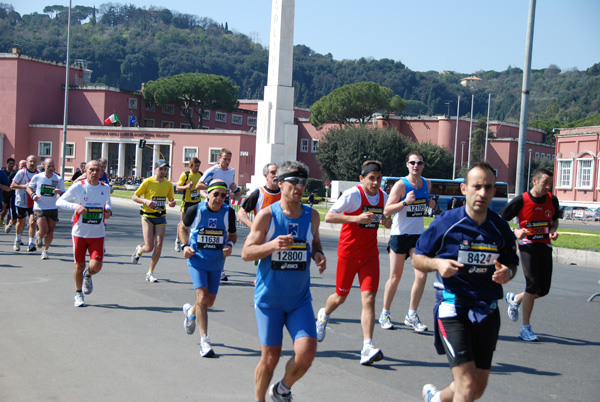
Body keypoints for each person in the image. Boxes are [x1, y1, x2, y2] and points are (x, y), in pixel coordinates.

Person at [413, 162, 518, 402]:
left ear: (494, 192)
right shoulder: (446, 222)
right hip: (453, 307)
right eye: (477, 186)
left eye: (488, 187)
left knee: (476, 387)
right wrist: (438, 264)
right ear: (464, 189)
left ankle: (437, 398)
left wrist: (508, 274)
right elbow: (417, 259)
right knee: (467, 385)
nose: (482, 193)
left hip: (487, 310)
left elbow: (512, 264)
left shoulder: (500, 228)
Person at [241, 161, 326, 402]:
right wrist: (272, 245)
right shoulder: (267, 216)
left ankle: (282, 389)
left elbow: (315, 243)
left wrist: (318, 255)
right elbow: (246, 253)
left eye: (303, 182)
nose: (299, 186)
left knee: (307, 352)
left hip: (299, 300)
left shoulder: (312, 216)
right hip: (270, 300)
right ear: (281, 184)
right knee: (270, 358)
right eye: (294, 181)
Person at [315, 160, 392, 365]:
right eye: (371, 178)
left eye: (379, 179)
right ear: (362, 179)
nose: (375, 183)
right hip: (348, 254)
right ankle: (324, 314)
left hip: (370, 256)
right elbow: (330, 216)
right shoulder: (353, 195)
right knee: (340, 296)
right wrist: (355, 219)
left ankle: (367, 346)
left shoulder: (384, 197)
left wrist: (386, 221)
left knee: (369, 299)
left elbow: (385, 218)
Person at [499, 168, 560, 342]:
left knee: (543, 290)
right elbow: (499, 221)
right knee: (532, 286)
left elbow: (554, 220)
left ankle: (515, 298)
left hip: (545, 246)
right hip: (527, 246)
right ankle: (525, 328)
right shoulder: (521, 200)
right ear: (534, 181)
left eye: (550, 183)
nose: (548, 186)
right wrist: (515, 231)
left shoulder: (552, 200)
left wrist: (553, 231)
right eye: (545, 183)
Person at [178, 180, 237, 357]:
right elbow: (182, 227)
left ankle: (190, 311)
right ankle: (205, 341)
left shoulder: (229, 213)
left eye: (223, 195)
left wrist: (230, 244)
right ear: (208, 194)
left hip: (216, 261)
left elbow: (233, 234)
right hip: (197, 259)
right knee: (202, 297)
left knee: (208, 302)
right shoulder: (195, 210)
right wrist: (184, 246)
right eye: (216, 194)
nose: (219, 198)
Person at [379, 151, 433, 331]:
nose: (415, 166)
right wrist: (404, 202)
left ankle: (411, 314)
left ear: (423, 165)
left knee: (422, 275)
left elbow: (423, 207)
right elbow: (387, 211)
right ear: (407, 165)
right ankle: (385, 313)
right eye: (412, 163)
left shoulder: (427, 183)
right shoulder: (401, 185)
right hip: (400, 235)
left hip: (417, 236)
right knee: (395, 277)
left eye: (419, 163)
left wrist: (431, 205)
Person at [56, 160, 112, 307]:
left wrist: (108, 211)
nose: (94, 173)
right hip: (80, 233)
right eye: (91, 170)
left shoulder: (105, 188)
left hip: (98, 233)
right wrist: (76, 207)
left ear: (101, 172)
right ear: (85, 171)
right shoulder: (78, 187)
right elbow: (60, 202)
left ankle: (88, 275)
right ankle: (78, 293)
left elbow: (107, 203)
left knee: (96, 266)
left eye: (97, 170)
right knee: (79, 265)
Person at [196, 148, 241, 281]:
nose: (227, 162)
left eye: (229, 159)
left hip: (225, 206)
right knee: (209, 235)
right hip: (210, 206)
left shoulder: (232, 172)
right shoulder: (213, 171)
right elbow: (199, 185)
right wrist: (213, 188)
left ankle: (220, 269)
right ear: (219, 158)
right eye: (224, 159)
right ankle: (203, 264)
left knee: (224, 237)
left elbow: (232, 185)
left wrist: (236, 190)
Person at [131, 159, 176, 282]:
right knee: (149, 247)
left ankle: (150, 272)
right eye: (161, 169)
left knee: (159, 244)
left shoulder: (168, 184)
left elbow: (171, 200)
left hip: (160, 216)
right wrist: (146, 201)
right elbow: (134, 196)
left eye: (165, 169)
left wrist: (172, 203)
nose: (163, 172)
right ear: (155, 169)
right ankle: (139, 250)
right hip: (147, 216)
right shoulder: (148, 182)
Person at [26, 158, 65, 260]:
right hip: (40, 207)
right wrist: (33, 195)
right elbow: (28, 187)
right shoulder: (38, 177)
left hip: (52, 207)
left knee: (50, 231)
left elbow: (64, 194)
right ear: (44, 166)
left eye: (52, 166)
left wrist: (60, 192)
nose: (51, 168)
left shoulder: (58, 179)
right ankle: (38, 235)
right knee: (44, 229)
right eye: (49, 166)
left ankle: (45, 251)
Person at [237, 163, 280, 229]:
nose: (276, 175)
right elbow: (241, 213)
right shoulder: (259, 193)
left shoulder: (285, 193)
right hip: (263, 236)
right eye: (273, 173)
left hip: (280, 234)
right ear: (266, 176)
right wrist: (253, 227)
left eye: (278, 172)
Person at [10, 155, 39, 252]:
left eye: (34, 161)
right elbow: (12, 186)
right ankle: (17, 240)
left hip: (34, 202)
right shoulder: (22, 172)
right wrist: (24, 186)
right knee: (20, 222)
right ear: (27, 162)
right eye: (30, 161)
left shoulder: (39, 174)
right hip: (21, 201)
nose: (32, 163)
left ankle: (31, 243)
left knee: (32, 222)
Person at [174, 157, 203, 252]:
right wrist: (186, 186)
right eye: (195, 166)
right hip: (187, 202)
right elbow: (177, 188)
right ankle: (178, 241)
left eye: (198, 166)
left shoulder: (201, 175)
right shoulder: (185, 175)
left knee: (196, 223)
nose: (197, 168)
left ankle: (192, 242)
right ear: (191, 166)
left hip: (197, 202)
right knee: (183, 223)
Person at [4, 160, 25, 234]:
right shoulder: (14, 174)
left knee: (22, 220)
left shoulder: (30, 175)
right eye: (21, 166)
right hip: (15, 199)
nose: (23, 168)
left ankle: (19, 238)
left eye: (24, 166)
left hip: (26, 201)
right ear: (18, 166)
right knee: (14, 219)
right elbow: (9, 186)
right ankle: (10, 224)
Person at [1, 157, 15, 226]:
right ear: (7, 164)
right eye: (10, 163)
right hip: (4, 193)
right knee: (4, 210)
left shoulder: (15, 173)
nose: (11, 165)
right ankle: (1, 219)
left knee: (10, 210)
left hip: (12, 193)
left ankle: (8, 223)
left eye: (13, 164)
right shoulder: (3, 173)